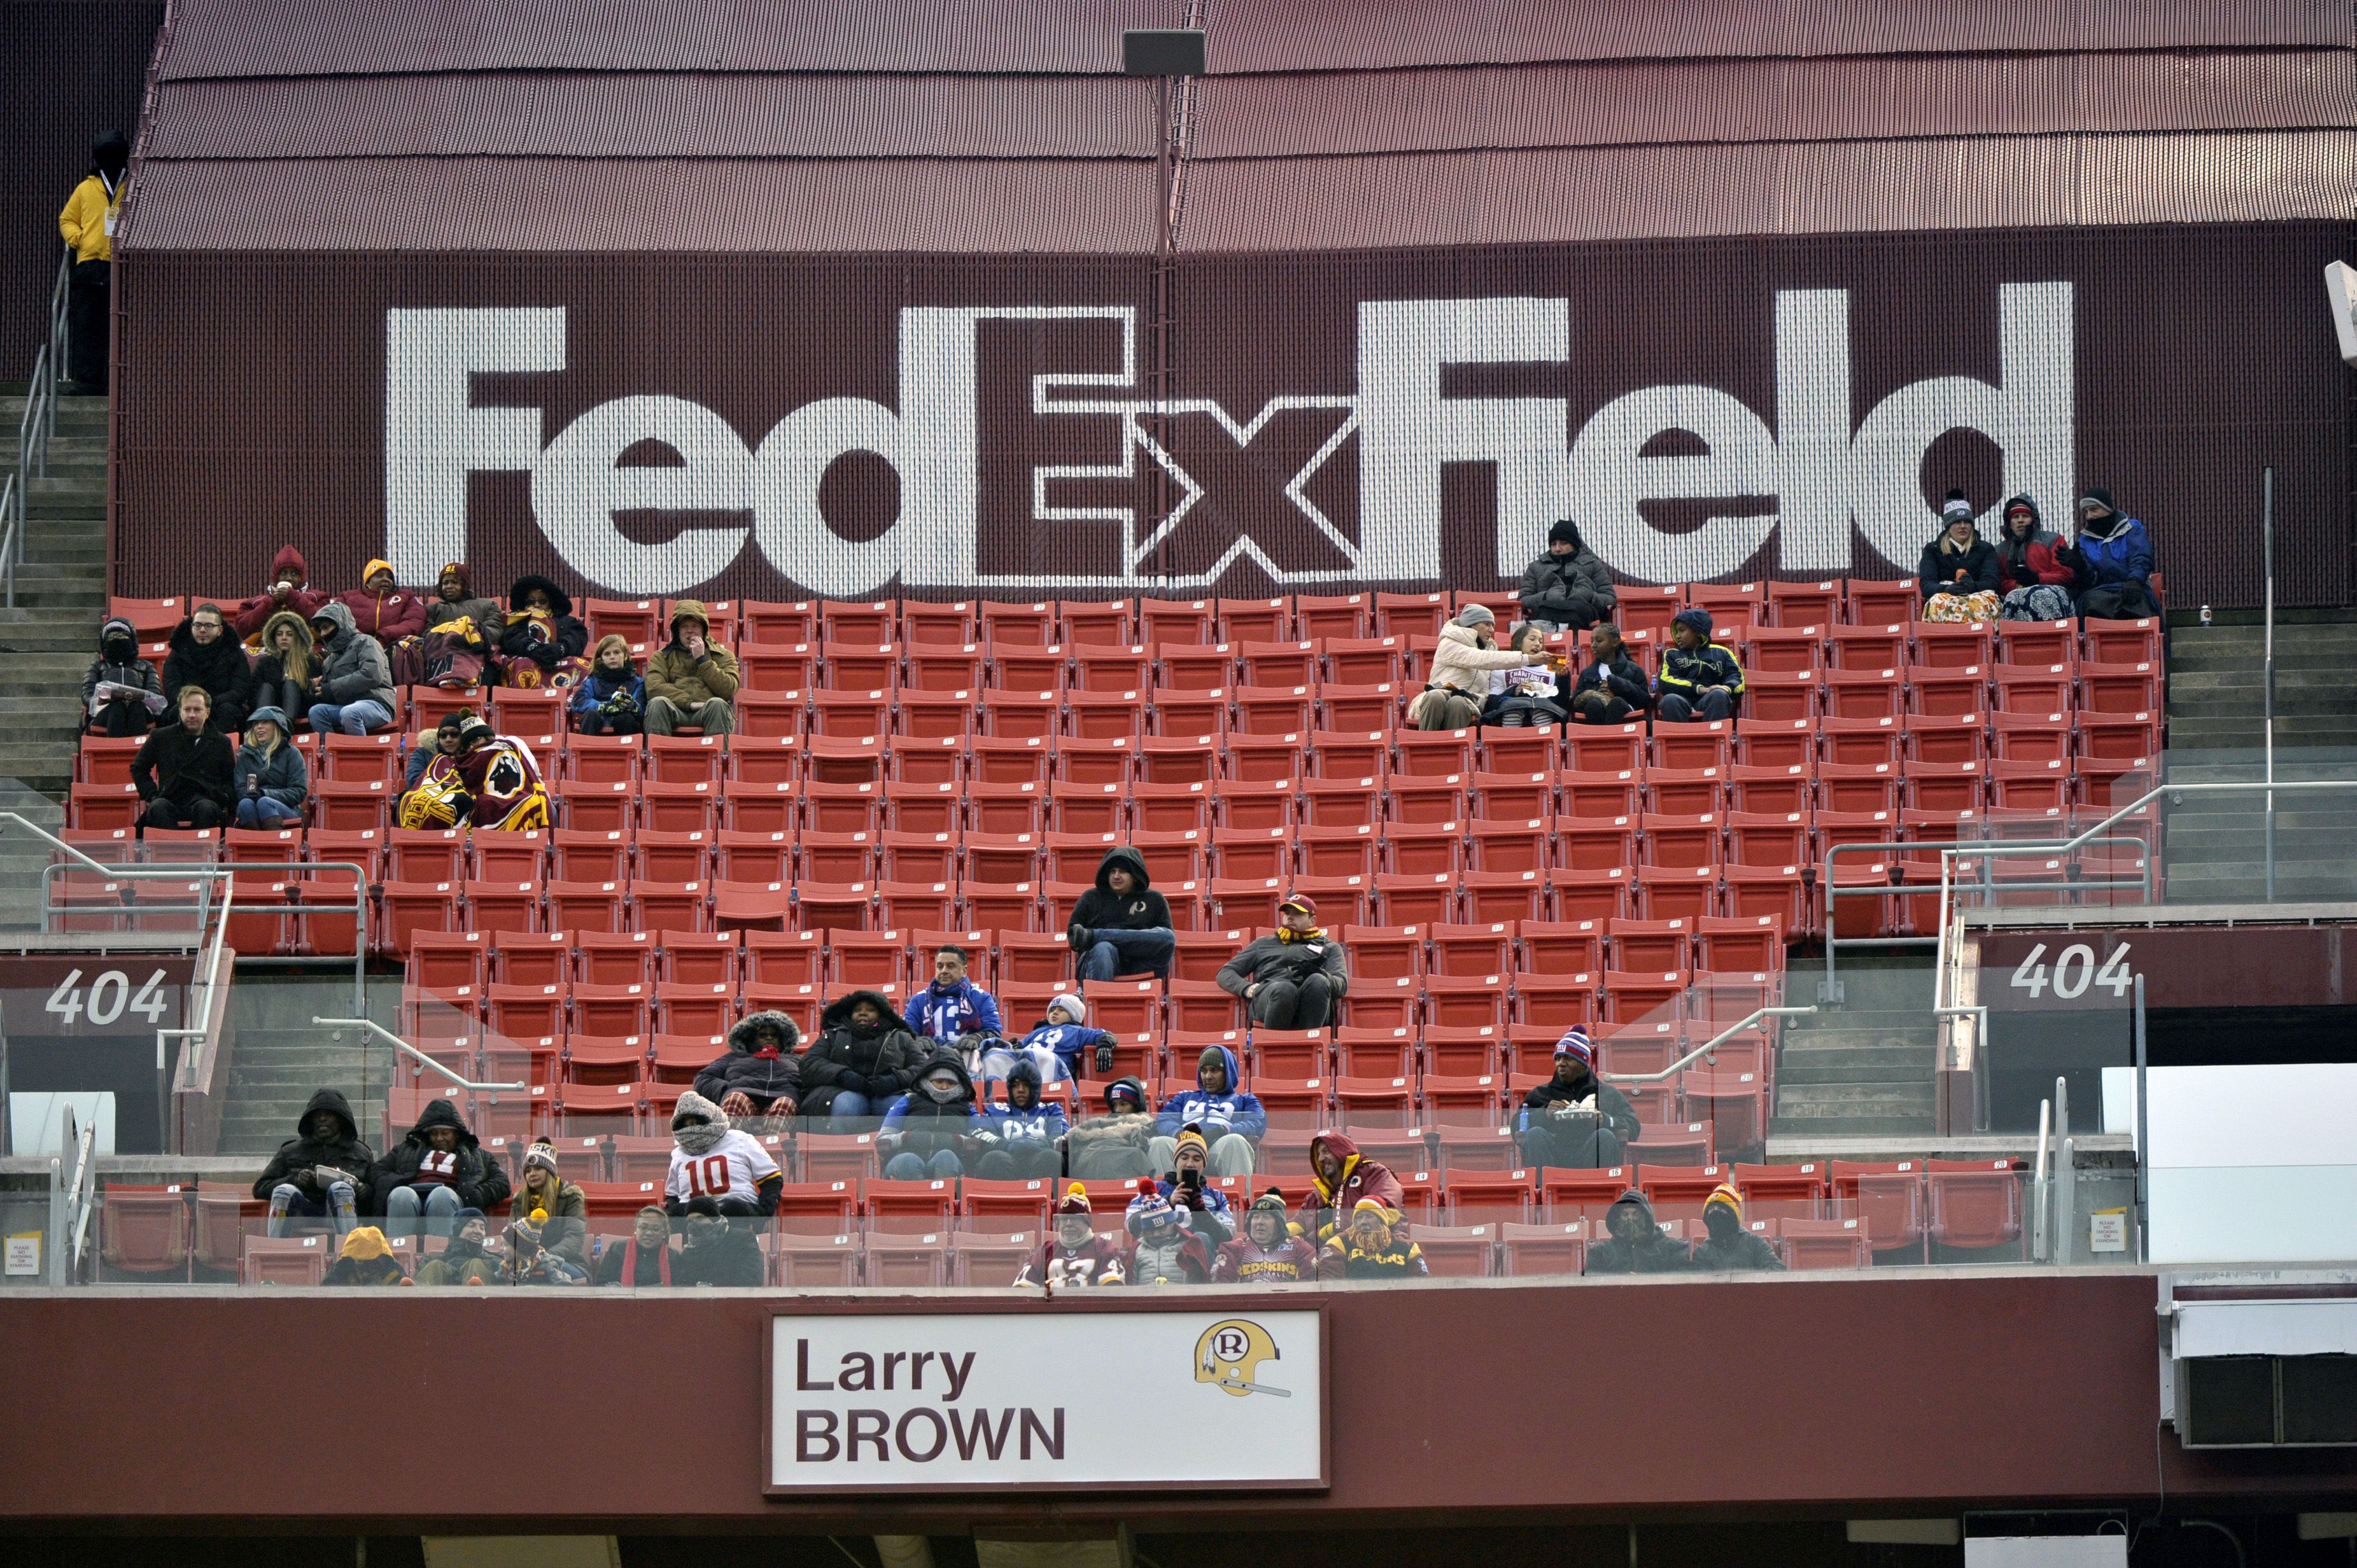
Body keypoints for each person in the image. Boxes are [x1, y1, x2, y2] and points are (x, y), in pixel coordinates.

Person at [373, 1097, 512, 1242]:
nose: (439, 1139)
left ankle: (442, 1252)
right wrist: (399, 1182)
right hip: (411, 1197)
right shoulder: (406, 1150)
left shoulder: (478, 1155)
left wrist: (475, 1193)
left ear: (457, 1134)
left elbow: (502, 1183)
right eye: (434, 1134)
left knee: (442, 1195)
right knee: (402, 1194)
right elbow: (377, 1171)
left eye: (445, 1133)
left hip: (450, 1200)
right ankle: (397, 1250)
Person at [57, 129, 129, 393]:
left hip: (121, 264)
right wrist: (78, 239)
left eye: (115, 155)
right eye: (105, 155)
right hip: (89, 264)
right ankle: (88, 381)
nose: (110, 160)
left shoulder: (132, 187)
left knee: (117, 325)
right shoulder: (86, 189)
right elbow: (67, 219)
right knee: (87, 324)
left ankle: (116, 381)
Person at [252, 1088, 372, 1239]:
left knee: (340, 1189)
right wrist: (295, 1180)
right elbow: (260, 1188)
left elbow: (374, 1192)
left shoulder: (361, 1153)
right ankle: (275, 1250)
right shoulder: (290, 1151)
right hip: (302, 1212)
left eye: (328, 1114)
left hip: (344, 1211)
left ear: (341, 1119)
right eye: (317, 1115)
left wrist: (363, 1190)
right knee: (284, 1190)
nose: (322, 1119)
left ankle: (350, 1252)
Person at [1514, 1027, 1639, 1172]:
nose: (1561, 1063)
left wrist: (1605, 1120)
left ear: (1583, 1063)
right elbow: (1515, 1125)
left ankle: (1603, 1190)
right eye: (1558, 1058)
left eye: (1568, 1058)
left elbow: (1633, 1126)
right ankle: (1542, 1192)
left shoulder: (1608, 1094)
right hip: (1553, 1158)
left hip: (1591, 1155)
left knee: (1604, 1136)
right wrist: (1544, 1115)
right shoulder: (1540, 1094)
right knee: (1535, 1134)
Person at [1216, 894, 1348, 1030]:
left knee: (1318, 981)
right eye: (1287, 913)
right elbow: (1225, 972)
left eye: (1298, 914)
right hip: (1271, 998)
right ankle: (1273, 1045)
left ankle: (1310, 1042)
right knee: (1285, 989)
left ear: (1312, 920)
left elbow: (1341, 986)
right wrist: (1245, 988)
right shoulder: (1263, 943)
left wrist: (1322, 974)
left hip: (1310, 1007)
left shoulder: (1329, 948)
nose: (1290, 917)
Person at [796, 990, 923, 1130]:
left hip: (890, 1093)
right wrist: (841, 1075)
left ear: (882, 1014)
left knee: (895, 1108)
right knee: (847, 1106)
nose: (863, 1013)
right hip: (841, 1091)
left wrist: (896, 1080)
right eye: (857, 1010)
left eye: (871, 1010)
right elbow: (809, 1064)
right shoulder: (833, 1036)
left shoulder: (901, 1037)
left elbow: (922, 1068)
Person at [664, 1091, 783, 1219]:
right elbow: (673, 1196)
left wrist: (764, 1211)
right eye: (686, 1125)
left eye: (694, 1123)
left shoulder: (740, 1139)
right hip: (696, 1218)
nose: (692, 1129)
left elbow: (771, 1177)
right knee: (679, 1211)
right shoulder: (679, 1154)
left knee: (735, 1208)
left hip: (736, 1214)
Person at [132, 684, 235, 830]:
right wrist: (152, 795)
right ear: (180, 711)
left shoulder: (222, 742)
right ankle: (170, 853)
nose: (192, 715)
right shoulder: (160, 737)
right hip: (170, 799)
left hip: (206, 801)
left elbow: (229, 780)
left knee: (207, 808)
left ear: (207, 712)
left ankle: (199, 852)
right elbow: (138, 768)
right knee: (158, 807)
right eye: (187, 709)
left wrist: (222, 797)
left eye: (198, 710)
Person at [1150, 1046, 1264, 1178]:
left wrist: (1225, 1130)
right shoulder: (1184, 1097)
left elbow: (1257, 1123)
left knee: (1235, 1141)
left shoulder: (1245, 1100)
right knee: (1159, 1144)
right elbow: (1163, 1119)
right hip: (1185, 1147)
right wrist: (1180, 1134)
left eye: (1214, 1071)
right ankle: (1165, 1196)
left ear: (1228, 1072)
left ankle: (1238, 1197)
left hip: (1220, 1149)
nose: (1208, 1077)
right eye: (1203, 1071)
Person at [1409, 603, 1527, 729]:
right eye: (1487, 624)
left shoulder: (1490, 650)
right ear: (1472, 625)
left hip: (1467, 702)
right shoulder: (1449, 643)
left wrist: (1478, 698)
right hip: (1437, 697)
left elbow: (1487, 690)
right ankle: (1426, 744)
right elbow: (1479, 658)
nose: (1492, 630)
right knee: (1435, 697)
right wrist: (1526, 659)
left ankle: (1454, 747)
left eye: (1492, 625)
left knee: (1458, 702)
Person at [1065, 846, 1174, 982]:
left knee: (1168, 936)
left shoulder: (1155, 900)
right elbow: (1074, 937)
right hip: (1100, 962)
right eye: (1113, 871)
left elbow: (1165, 942)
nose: (1116, 876)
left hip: (1142, 964)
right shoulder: (1090, 898)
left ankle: (1096, 936)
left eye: (1122, 872)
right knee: (1103, 948)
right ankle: (1100, 1000)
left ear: (1135, 876)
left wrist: (1095, 936)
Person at [878, 1056, 985, 1180]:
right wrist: (905, 1137)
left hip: (949, 1162)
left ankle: (944, 1198)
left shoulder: (967, 1108)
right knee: (908, 1160)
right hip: (903, 1160)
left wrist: (960, 1140)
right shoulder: (908, 1100)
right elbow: (883, 1139)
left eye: (950, 1083)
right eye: (939, 1081)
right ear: (928, 1081)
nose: (944, 1087)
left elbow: (977, 1141)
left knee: (946, 1157)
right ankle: (917, 1199)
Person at [2062, 486, 2159, 620]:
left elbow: (2141, 557)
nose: (2090, 516)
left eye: (2094, 509)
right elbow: (2092, 578)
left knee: (2138, 601)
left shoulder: (2132, 528)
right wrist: (2080, 567)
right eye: (2086, 512)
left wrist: (2134, 580)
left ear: (2107, 508)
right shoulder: (2085, 540)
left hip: (2134, 586)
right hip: (2102, 592)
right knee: (2088, 602)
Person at [644, 599, 740, 735]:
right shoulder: (661, 656)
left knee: (718, 704)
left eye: (695, 626)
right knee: (657, 703)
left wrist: (703, 660)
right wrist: (689, 703)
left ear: (704, 630)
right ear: (677, 631)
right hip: (675, 710)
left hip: (708, 710)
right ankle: (657, 755)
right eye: (684, 627)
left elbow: (729, 690)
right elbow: (653, 688)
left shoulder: (723, 655)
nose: (690, 631)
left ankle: (717, 755)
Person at [1297, 1130, 1404, 1251]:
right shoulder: (1320, 1193)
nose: (1321, 1159)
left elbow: (1388, 1211)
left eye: (1326, 1152)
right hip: (1331, 1257)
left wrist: (1331, 1230)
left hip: (1379, 1252)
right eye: (1319, 1154)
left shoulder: (1373, 1173)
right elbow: (1299, 1221)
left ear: (1342, 1151)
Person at [400, 562, 502, 689]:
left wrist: (464, 636)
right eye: (445, 583)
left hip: (477, 654)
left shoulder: (487, 605)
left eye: (455, 583)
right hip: (442, 657)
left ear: (465, 586)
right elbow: (427, 635)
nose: (449, 586)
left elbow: (495, 631)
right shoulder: (432, 609)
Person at [305, 601, 398, 735]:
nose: (323, 633)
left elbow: (371, 675)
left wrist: (332, 687)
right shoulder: (330, 659)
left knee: (350, 713)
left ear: (340, 623)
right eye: (320, 630)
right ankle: (329, 753)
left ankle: (356, 754)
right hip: (346, 707)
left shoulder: (366, 642)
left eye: (326, 627)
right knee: (316, 712)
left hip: (377, 704)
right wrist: (319, 688)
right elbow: (331, 691)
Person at [504, 1139, 589, 1285]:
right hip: (525, 1261)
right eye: (528, 1171)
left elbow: (574, 1239)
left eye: (538, 1169)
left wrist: (543, 1257)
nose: (532, 1174)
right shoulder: (520, 1200)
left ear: (550, 1171)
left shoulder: (570, 1198)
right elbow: (512, 1235)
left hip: (566, 1261)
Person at [161, 603, 253, 735]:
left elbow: (240, 690)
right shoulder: (178, 651)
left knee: (229, 711)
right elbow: (172, 687)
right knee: (177, 711)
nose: (202, 630)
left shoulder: (234, 653)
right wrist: (193, 704)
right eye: (197, 625)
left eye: (209, 626)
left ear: (220, 630)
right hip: (187, 705)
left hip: (221, 705)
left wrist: (208, 704)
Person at [446, 717, 551, 831]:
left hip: (523, 792)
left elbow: (525, 779)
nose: (472, 747)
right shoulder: (465, 760)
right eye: (468, 745)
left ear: (486, 736)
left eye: (476, 740)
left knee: (539, 805)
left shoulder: (510, 746)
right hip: (488, 798)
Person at [987, 992, 1110, 1087]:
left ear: (1074, 1015)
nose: (1054, 1013)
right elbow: (1020, 1046)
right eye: (1052, 1010)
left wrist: (1105, 1044)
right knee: (992, 1055)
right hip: (1027, 1062)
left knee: (1050, 1059)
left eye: (1061, 1010)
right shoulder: (1037, 1032)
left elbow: (1103, 1035)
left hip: (1050, 1065)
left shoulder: (1078, 1031)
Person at [1516, 519, 1617, 634]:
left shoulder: (1593, 564)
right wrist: (1545, 596)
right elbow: (1523, 600)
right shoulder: (1536, 567)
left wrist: (1589, 596)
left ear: (1574, 544)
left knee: (1575, 610)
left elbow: (1610, 598)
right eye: (1554, 544)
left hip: (1582, 610)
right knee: (1546, 611)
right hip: (1547, 610)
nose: (1557, 549)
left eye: (1564, 543)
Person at [696, 1011, 802, 1121]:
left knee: (785, 1104)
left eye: (774, 1035)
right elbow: (704, 1077)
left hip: (783, 1095)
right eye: (763, 1035)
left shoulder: (796, 1060)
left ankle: (775, 1139)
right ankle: (730, 1138)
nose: (769, 1038)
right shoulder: (733, 1057)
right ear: (751, 1039)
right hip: (744, 1094)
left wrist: (798, 1092)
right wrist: (726, 1089)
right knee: (735, 1099)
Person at [975, 1058, 1068, 1180]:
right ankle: (1003, 1198)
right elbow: (980, 1133)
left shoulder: (1052, 1110)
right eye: (1015, 1086)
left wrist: (1042, 1144)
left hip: (1039, 1161)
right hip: (1008, 1161)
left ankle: (1042, 1197)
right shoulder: (995, 1110)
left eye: (1025, 1085)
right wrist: (1008, 1146)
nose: (1020, 1090)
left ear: (1034, 1088)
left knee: (1051, 1157)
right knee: (994, 1158)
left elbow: (1063, 1135)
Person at [1014, 1186, 1125, 1287]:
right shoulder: (1046, 1250)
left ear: (1087, 1221)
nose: (1068, 1224)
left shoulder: (1103, 1247)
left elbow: (1113, 1290)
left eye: (1074, 1218)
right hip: (1050, 1309)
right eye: (1064, 1219)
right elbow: (1022, 1290)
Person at [1918, 490, 2001, 622]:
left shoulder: (1985, 549)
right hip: (1945, 598)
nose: (1963, 526)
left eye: (1967, 522)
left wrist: (1972, 586)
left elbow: (1993, 583)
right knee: (1938, 602)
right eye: (1957, 522)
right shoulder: (1933, 550)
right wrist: (1946, 589)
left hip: (1977, 597)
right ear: (1949, 526)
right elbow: (1927, 584)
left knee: (1983, 603)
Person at [1994, 494, 2076, 622]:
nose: (2021, 520)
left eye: (2025, 516)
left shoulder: (2053, 540)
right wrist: (2018, 585)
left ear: (2033, 520)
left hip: (2050, 594)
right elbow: (1998, 581)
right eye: (2016, 517)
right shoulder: (2000, 550)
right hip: (2015, 595)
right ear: (2009, 523)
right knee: (2014, 597)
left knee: (2038, 594)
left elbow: (2066, 575)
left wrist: (2037, 579)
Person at [498, 573, 589, 689]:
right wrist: (533, 648)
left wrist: (559, 649)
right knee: (523, 665)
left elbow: (577, 638)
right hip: (527, 658)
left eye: (542, 601)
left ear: (550, 602)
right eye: (531, 601)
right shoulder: (516, 619)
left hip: (559, 660)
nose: (537, 605)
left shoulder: (568, 621)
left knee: (582, 666)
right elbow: (511, 638)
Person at [905, 944, 1003, 1051]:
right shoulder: (919, 1000)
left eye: (951, 966)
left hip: (971, 1057)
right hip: (929, 1058)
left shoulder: (982, 998)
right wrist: (918, 1040)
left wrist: (978, 1038)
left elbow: (994, 1033)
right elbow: (906, 1035)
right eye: (940, 966)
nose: (944, 971)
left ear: (964, 971)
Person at [1654, 607, 1744, 723]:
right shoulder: (1672, 654)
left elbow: (1737, 678)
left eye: (1682, 630)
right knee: (1670, 700)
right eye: (1677, 631)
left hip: (1710, 698)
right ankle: (1676, 740)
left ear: (1698, 632)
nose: (1677, 636)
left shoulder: (1723, 653)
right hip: (1682, 699)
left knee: (1719, 695)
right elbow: (1665, 682)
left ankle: (1714, 738)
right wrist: (1699, 689)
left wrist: (1726, 688)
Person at [81, 615, 163, 737]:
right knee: (118, 707)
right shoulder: (97, 666)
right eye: (112, 637)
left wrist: (134, 697)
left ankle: (139, 751)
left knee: (137, 707)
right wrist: (106, 698)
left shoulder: (146, 666)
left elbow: (155, 694)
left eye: (121, 636)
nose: (117, 640)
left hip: (140, 712)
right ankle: (114, 749)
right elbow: (87, 695)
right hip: (105, 713)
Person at [1213, 1191, 1319, 1284]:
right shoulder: (1233, 1249)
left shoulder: (1300, 1248)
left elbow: (1308, 1287)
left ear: (1279, 1224)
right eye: (1256, 1217)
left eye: (1266, 1217)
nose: (1259, 1222)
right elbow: (1221, 1285)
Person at [1156, 1125, 1236, 1247]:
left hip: (1201, 1260)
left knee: (1201, 1237)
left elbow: (1227, 1236)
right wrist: (1168, 1204)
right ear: (1176, 1161)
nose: (1190, 1164)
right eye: (1184, 1158)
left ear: (1204, 1165)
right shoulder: (1155, 1190)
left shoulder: (1217, 1196)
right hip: (1162, 1254)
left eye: (1197, 1159)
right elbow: (1134, 1226)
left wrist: (1202, 1213)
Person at [1064, 1077, 1158, 1181]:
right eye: (1114, 1105)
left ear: (1136, 1104)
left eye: (1124, 1104)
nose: (1118, 1110)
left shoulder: (1147, 1125)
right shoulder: (1096, 1124)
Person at [1584, 1189, 1695, 1275]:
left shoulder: (1673, 1249)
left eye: (1636, 1214)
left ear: (1647, 1217)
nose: (1630, 1219)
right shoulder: (1600, 1253)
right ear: (1617, 1219)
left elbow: (1680, 1291)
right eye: (1625, 1214)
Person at [232, 706, 307, 829]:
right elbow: (240, 789)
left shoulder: (292, 754)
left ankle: (275, 845)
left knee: (265, 803)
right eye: (256, 723)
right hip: (253, 806)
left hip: (288, 810)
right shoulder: (245, 756)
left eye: (265, 722)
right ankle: (254, 844)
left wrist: (264, 794)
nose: (259, 727)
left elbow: (299, 792)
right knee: (245, 804)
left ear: (278, 726)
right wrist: (251, 795)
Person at [395, 711, 474, 829]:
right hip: (425, 796)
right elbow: (414, 780)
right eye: (443, 735)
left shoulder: (469, 757)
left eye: (454, 734)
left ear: (462, 736)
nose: (448, 739)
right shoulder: (423, 753)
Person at [1318, 1198, 1430, 1280]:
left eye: (1370, 1216)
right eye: (1359, 1217)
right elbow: (1328, 1278)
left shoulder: (1407, 1247)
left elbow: (1422, 1283)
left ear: (1382, 1221)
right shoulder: (1340, 1243)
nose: (1363, 1222)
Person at [230, 546, 327, 641]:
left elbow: (325, 623)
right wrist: (271, 604)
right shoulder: (258, 602)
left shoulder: (317, 597)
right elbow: (243, 630)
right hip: (269, 652)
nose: (289, 578)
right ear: (276, 577)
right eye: (284, 573)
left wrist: (294, 598)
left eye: (294, 574)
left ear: (300, 577)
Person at [1484, 621, 1568, 727]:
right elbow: (1492, 704)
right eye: (1532, 639)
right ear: (1519, 643)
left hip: (1542, 707)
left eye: (1541, 641)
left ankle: (1544, 741)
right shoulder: (1501, 669)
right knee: (1513, 711)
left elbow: (1562, 703)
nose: (1538, 644)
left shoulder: (1551, 671)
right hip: (1512, 706)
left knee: (1542, 711)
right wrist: (1514, 690)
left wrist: (1563, 678)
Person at [1568, 622, 1651, 725]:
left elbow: (1645, 701)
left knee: (1616, 702)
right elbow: (1576, 703)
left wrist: (1619, 685)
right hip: (1597, 715)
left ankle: (1611, 736)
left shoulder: (1634, 670)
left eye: (1599, 641)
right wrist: (1596, 693)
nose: (1594, 645)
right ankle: (1602, 738)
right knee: (1593, 704)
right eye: (1592, 641)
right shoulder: (1587, 673)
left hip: (1627, 717)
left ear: (1615, 642)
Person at [332, 558, 426, 648]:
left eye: (389, 577)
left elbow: (415, 621)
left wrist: (385, 634)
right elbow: (335, 619)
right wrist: (363, 639)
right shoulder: (347, 597)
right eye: (379, 576)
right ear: (368, 582)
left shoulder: (407, 596)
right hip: (356, 645)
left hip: (393, 644)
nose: (386, 579)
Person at [1692, 1183, 1785, 1273]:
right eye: (1711, 1210)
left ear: (1733, 1216)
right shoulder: (1702, 1253)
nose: (1716, 1215)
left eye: (1721, 1210)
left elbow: (1778, 1269)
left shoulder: (1755, 1243)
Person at [1125, 1188, 1211, 1285]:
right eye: (1151, 1230)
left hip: (1179, 1299)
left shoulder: (1188, 1247)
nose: (1156, 1234)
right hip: (1145, 1300)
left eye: (1162, 1228)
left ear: (1172, 1223)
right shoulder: (1136, 1251)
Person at [250, 610, 317, 727]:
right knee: (266, 688)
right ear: (273, 637)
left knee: (291, 685)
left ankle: (286, 727)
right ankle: (265, 724)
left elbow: (314, 696)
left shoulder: (309, 661)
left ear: (297, 637)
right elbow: (254, 695)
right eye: (279, 634)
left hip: (300, 710)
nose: (284, 638)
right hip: (269, 708)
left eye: (290, 634)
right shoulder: (264, 663)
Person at [570, 635, 646, 736]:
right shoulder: (592, 680)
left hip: (624, 724)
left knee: (627, 717)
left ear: (626, 656)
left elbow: (643, 710)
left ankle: (626, 750)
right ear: (601, 658)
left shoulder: (638, 683)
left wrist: (632, 705)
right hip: (597, 721)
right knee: (591, 714)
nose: (612, 657)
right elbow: (578, 702)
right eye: (607, 654)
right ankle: (586, 749)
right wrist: (603, 706)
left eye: (617, 652)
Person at [675, 1212, 767, 1287]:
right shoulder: (688, 1252)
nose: (694, 1224)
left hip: (733, 1303)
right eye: (690, 1221)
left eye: (699, 1219)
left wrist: (714, 1288)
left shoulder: (743, 1239)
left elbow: (753, 1278)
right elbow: (681, 1283)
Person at [412, 1210, 500, 1286]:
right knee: (436, 1265)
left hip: (481, 1305)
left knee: (476, 1264)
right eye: (472, 1225)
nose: (478, 1231)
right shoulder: (429, 1261)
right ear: (458, 1229)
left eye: (482, 1228)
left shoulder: (495, 1261)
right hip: (436, 1305)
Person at [591, 1207, 675, 1286]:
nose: (649, 1233)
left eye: (656, 1229)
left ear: (664, 1233)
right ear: (636, 1229)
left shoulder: (672, 1255)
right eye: (644, 1228)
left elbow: (679, 1288)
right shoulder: (617, 1249)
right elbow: (601, 1284)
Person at [321, 1226, 409, 1287]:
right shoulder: (339, 1270)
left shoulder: (394, 1271)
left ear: (384, 1258)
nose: (368, 1266)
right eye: (361, 1261)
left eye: (373, 1261)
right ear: (350, 1260)